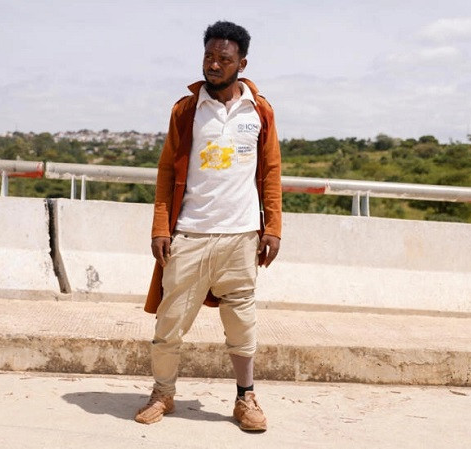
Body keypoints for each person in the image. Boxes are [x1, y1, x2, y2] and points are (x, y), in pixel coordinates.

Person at [135, 20, 282, 432]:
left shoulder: (260, 110)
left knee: (242, 324)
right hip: (191, 234)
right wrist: (160, 227)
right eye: (209, 56)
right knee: (169, 322)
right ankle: (163, 393)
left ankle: (245, 397)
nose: (214, 64)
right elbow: (167, 170)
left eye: (224, 58)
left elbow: (270, 170)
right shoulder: (186, 110)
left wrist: (273, 227)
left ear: (242, 63)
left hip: (241, 237)